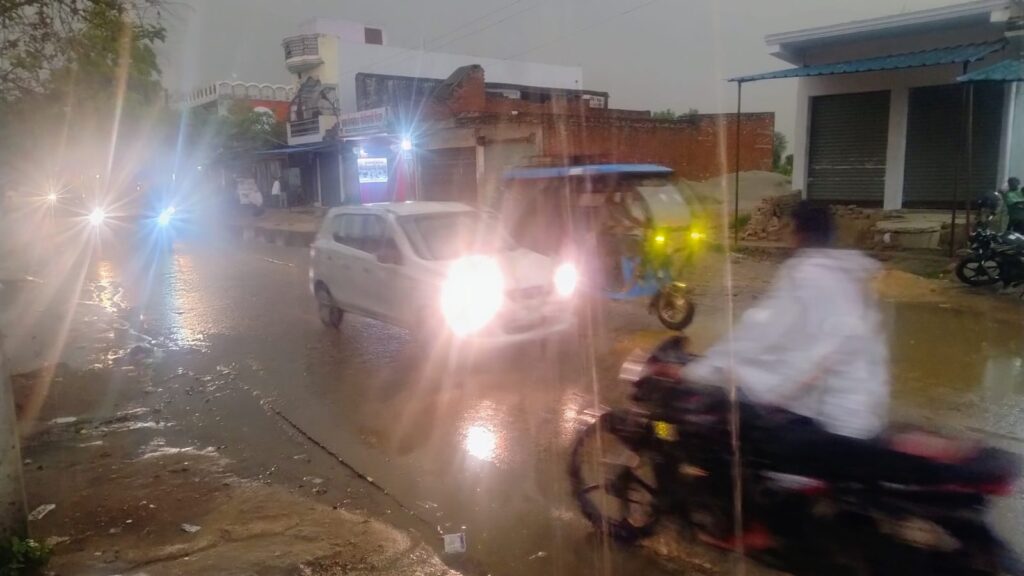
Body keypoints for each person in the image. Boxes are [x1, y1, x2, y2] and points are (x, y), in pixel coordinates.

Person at [686, 201, 889, 440]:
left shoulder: (805, 274)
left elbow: (758, 336)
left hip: (834, 422)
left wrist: (698, 371)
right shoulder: (847, 272)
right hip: (866, 415)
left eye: (788, 228)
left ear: (797, 233)